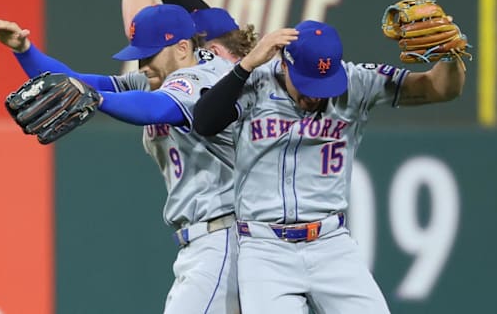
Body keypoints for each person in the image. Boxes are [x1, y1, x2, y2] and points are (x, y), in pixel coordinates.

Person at [0, 0, 270, 314]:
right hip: (208, 242)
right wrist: (24, 50)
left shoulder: (205, 77)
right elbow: (78, 81)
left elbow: (154, 109)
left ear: (182, 48)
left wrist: (98, 100)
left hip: (225, 239)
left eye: (149, 55)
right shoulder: (162, 75)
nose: (142, 65)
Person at [192, 20, 466, 314]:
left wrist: (450, 56)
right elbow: (204, 122)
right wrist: (245, 64)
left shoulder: (356, 82)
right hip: (264, 249)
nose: (316, 95)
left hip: (330, 244)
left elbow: (439, 88)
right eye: (308, 83)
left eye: (324, 85)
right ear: (285, 65)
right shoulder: (255, 82)